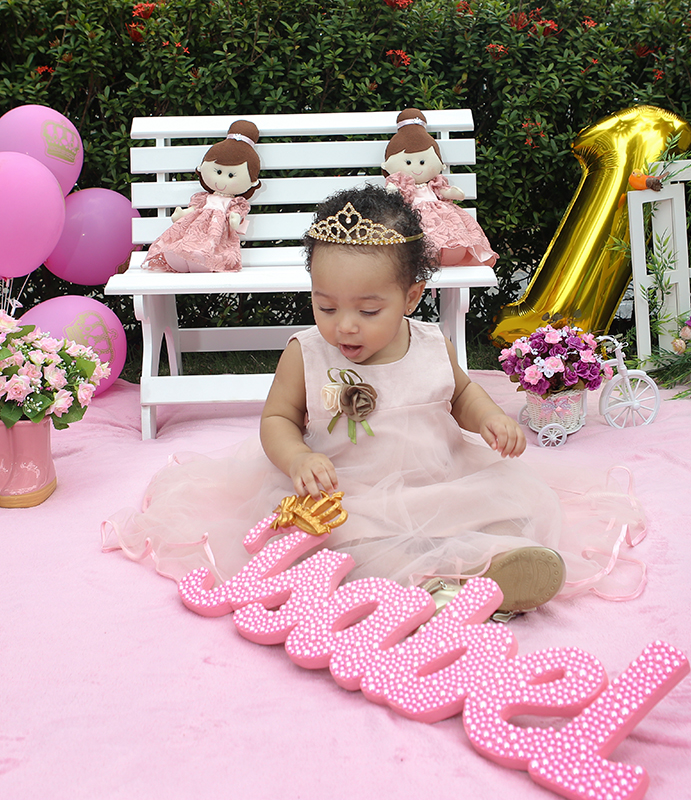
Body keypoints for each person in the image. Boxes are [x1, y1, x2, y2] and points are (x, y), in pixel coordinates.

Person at [105, 186, 644, 615]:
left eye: (368, 310)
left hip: (443, 480)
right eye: (325, 305)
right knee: (344, 548)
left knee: (508, 511)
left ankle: (495, 571)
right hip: (351, 494)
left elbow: (462, 394)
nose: (344, 325)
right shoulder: (308, 354)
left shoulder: (432, 343)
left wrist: (489, 419)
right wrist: (297, 457)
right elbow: (277, 419)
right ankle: (434, 593)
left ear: (411, 297)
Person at [382, 108, 497, 268]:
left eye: (423, 162)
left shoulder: (434, 183)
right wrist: (394, 191)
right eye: (408, 162)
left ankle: (451, 253)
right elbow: (394, 193)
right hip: (414, 214)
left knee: (451, 229)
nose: (417, 168)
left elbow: (443, 191)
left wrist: (451, 192)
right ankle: (428, 257)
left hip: (440, 212)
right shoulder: (403, 183)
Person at [142, 120, 261, 273]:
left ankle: (202, 259)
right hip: (194, 228)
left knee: (211, 246)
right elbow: (193, 209)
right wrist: (182, 214)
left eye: (231, 175)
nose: (222, 179)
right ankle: (177, 256)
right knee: (185, 239)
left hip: (216, 233)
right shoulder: (202, 198)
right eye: (218, 172)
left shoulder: (235, 203)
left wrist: (234, 219)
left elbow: (235, 218)